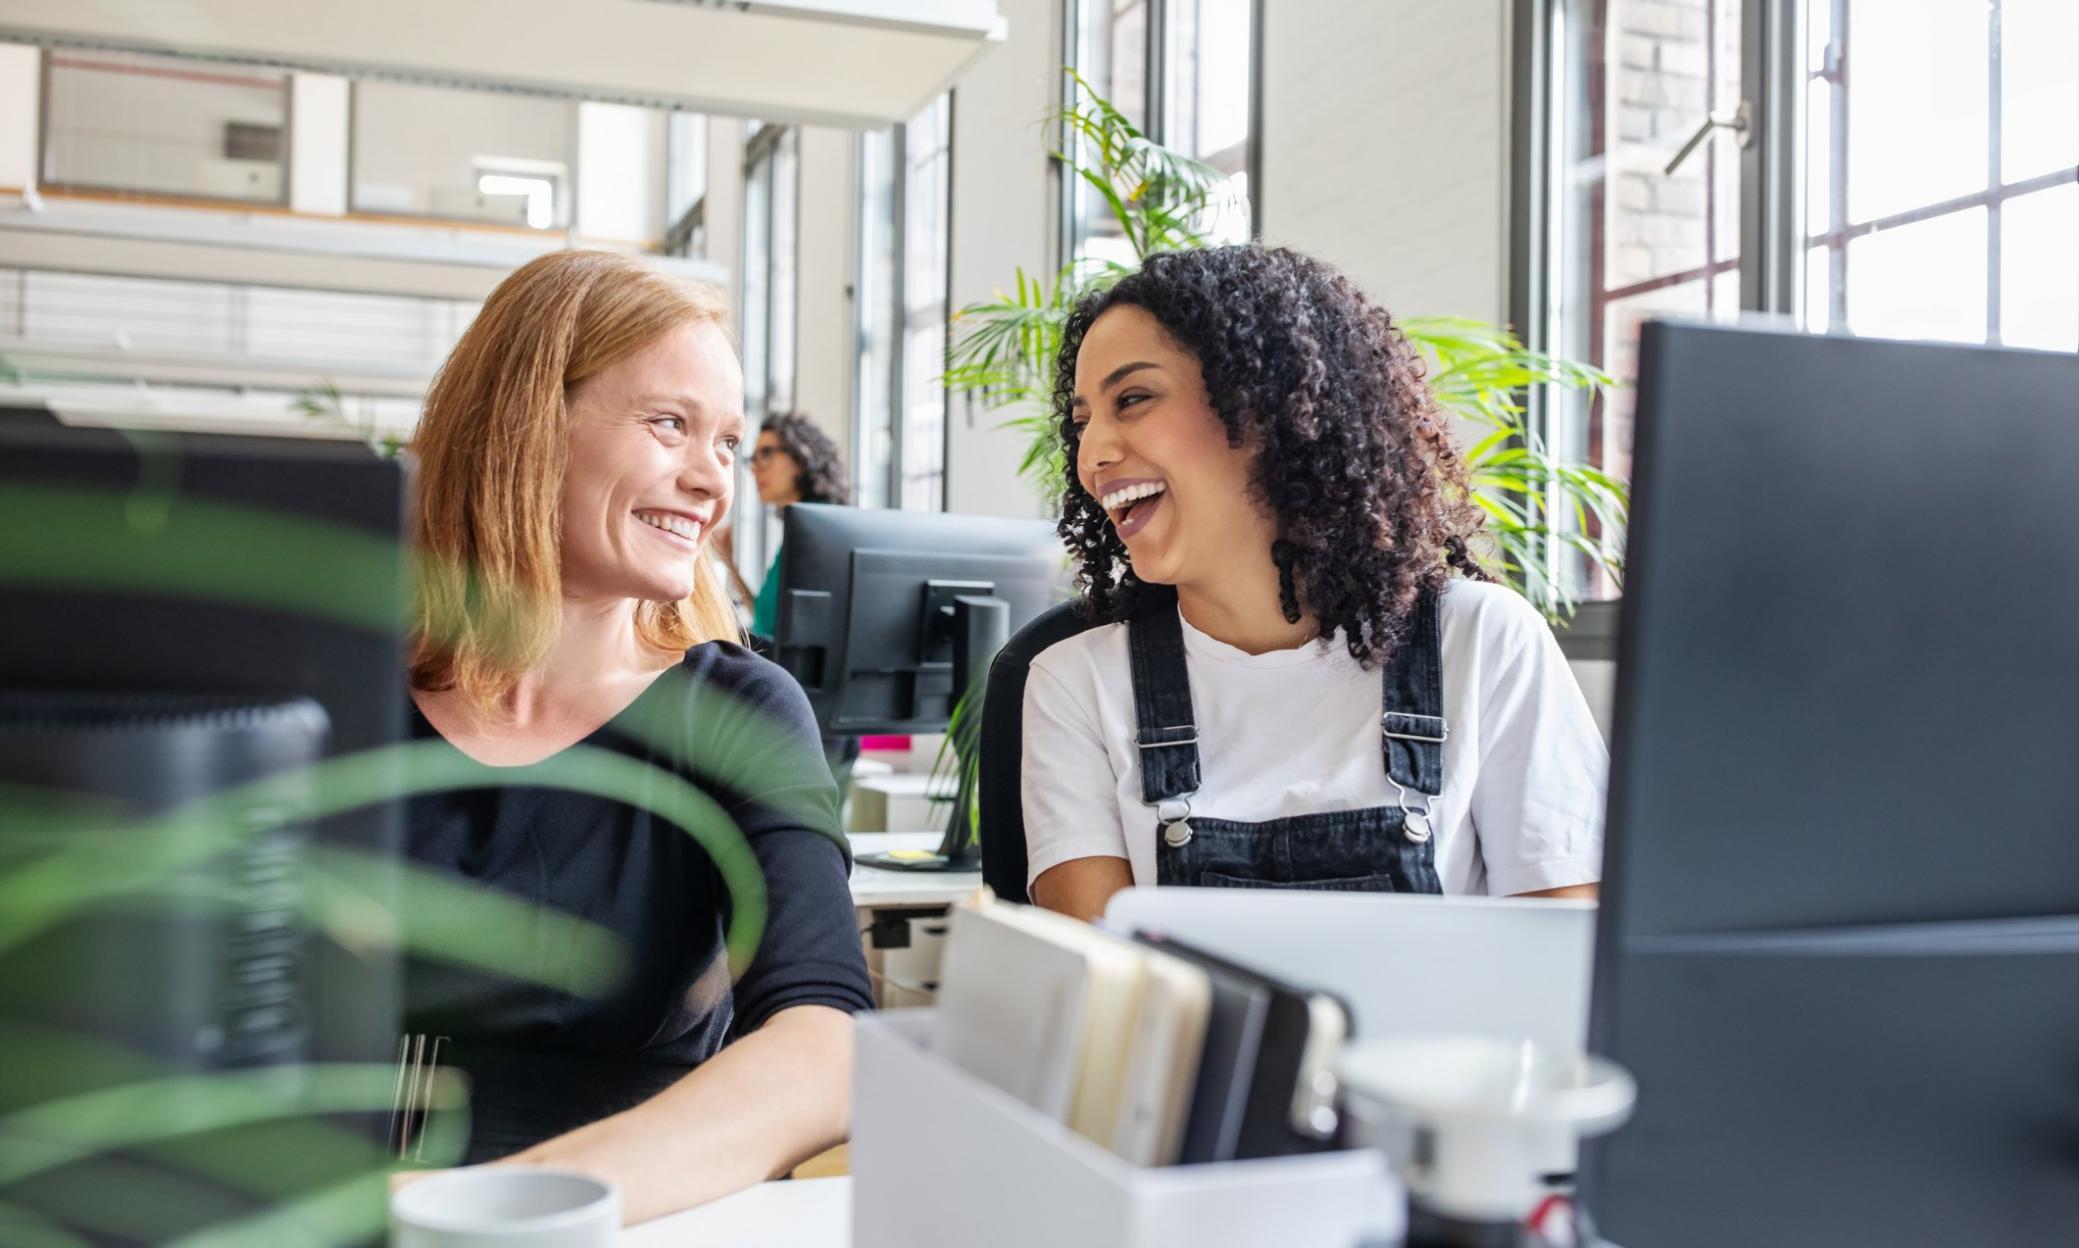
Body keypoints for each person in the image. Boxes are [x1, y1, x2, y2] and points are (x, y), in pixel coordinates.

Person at [403, 250, 871, 1223]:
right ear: (524, 427)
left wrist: (485, 1209)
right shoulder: (341, 697)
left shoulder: (735, 711)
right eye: (670, 425)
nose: (711, 481)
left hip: (620, 1221)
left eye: (728, 443)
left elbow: (826, 1045)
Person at [1020, 245, 1607, 922]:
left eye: (1133, 400)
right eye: (1082, 423)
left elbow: (1558, 958)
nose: (1092, 456)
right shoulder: (1076, 685)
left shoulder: (1483, 641)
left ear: (1267, 405)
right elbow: (1095, 975)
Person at [714, 410, 850, 642]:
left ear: (802, 456)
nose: (755, 468)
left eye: (766, 453)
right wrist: (729, 562)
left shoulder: (823, 533)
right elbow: (767, 620)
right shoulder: (798, 530)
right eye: (753, 459)